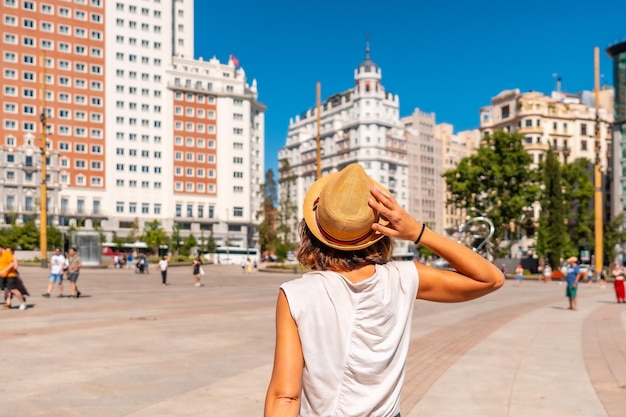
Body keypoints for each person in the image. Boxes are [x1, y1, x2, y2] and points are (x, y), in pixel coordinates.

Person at [264, 164, 504, 417]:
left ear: (313, 230)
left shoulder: (297, 294)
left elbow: (285, 395)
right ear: (379, 229)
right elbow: (490, 279)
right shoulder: (403, 278)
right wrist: (417, 231)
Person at [0, 243, 27, 310]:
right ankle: (8, 303)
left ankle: (22, 303)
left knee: (13, 290)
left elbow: (12, 264)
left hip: (10, 275)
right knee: (8, 290)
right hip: (3, 276)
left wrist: (4, 271)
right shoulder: (1, 255)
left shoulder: (7, 253)